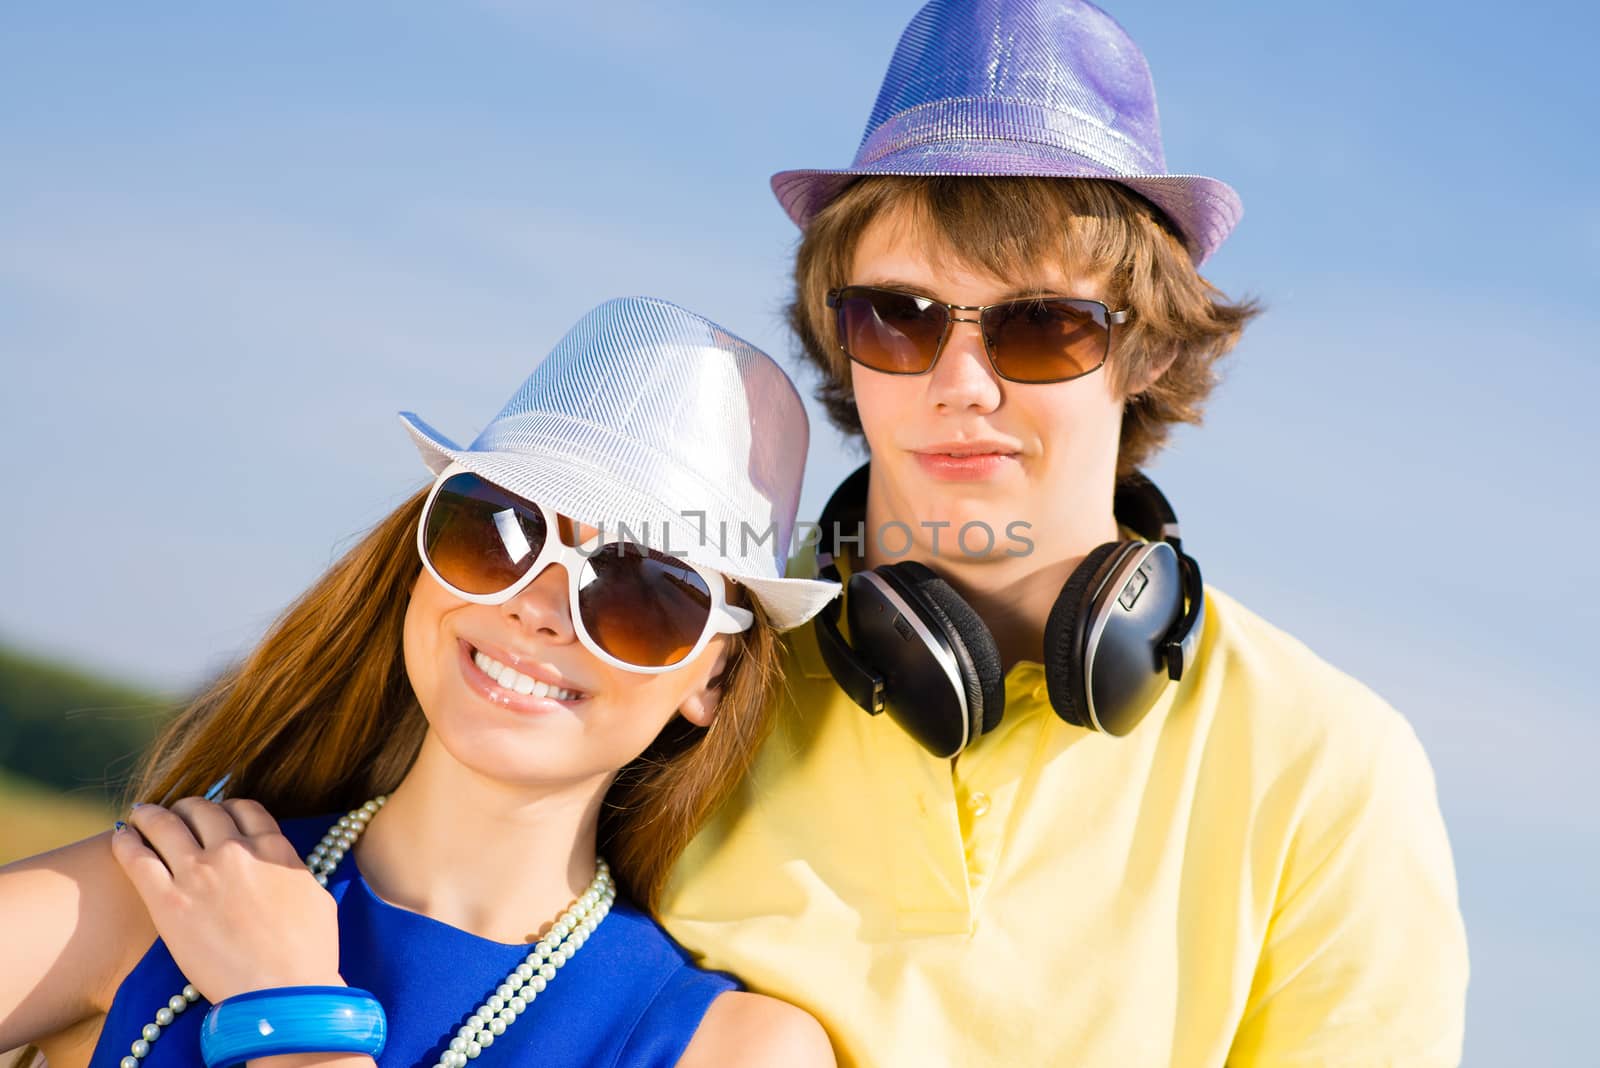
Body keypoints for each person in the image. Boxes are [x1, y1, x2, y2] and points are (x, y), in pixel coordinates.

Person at [658, 2, 1469, 1065]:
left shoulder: (1329, 765)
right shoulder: (666, 649)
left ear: (1151, 357)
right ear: (837, 337)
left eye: (1040, 325)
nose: (960, 385)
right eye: (897, 317)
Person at [0, 297, 839, 1068]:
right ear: (420, 561)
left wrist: (288, 1009)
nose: (540, 611)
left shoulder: (727, 1049)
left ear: (714, 678)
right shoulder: (167, 890)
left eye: (644, 592)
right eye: (498, 529)